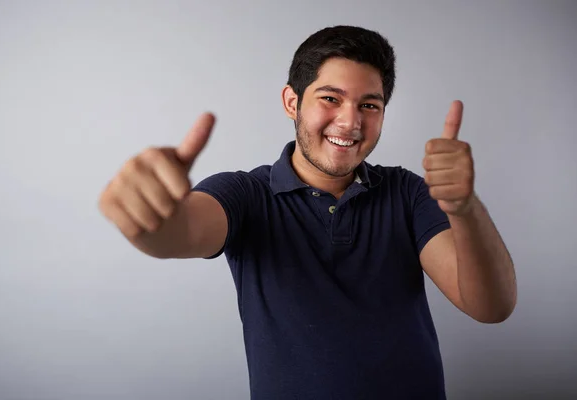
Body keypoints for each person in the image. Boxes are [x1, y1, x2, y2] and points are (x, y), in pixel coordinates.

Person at [98, 25, 517, 399]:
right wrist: (147, 218)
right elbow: (179, 232)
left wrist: (464, 208)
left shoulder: (407, 191)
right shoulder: (246, 193)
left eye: (369, 105)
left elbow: (491, 306)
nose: (350, 121)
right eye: (331, 98)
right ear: (292, 101)